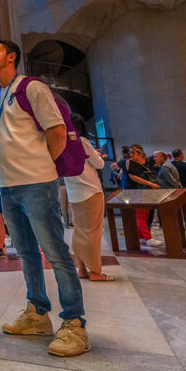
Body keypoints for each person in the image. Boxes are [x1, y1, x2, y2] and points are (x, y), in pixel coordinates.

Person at [0, 39, 90, 357]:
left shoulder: (32, 88)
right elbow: (8, 141)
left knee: (55, 253)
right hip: (11, 187)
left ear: (11, 57)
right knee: (28, 254)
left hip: (37, 185)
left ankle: (74, 324)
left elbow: (56, 132)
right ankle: (37, 313)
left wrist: (44, 168)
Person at [64, 115, 112, 281]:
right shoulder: (82, 141)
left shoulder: (61, 144)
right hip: (90, 191)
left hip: (74, 193)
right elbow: (99, 164)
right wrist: (97, 156)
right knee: (93, 233)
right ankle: (96, 272)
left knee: (79, 232)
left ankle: (82, 270)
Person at [125, 144, 164, 247]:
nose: (131, 154)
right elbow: (133, 177)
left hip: (146, 191)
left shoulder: (146, 161)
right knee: (141, 215)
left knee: (145, 215)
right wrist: (151, 184)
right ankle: (148, 238)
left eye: (133, 152)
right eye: (130, 152)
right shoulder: (130, 162)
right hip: (136, 191)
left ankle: (141, 237)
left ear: (140, 153)